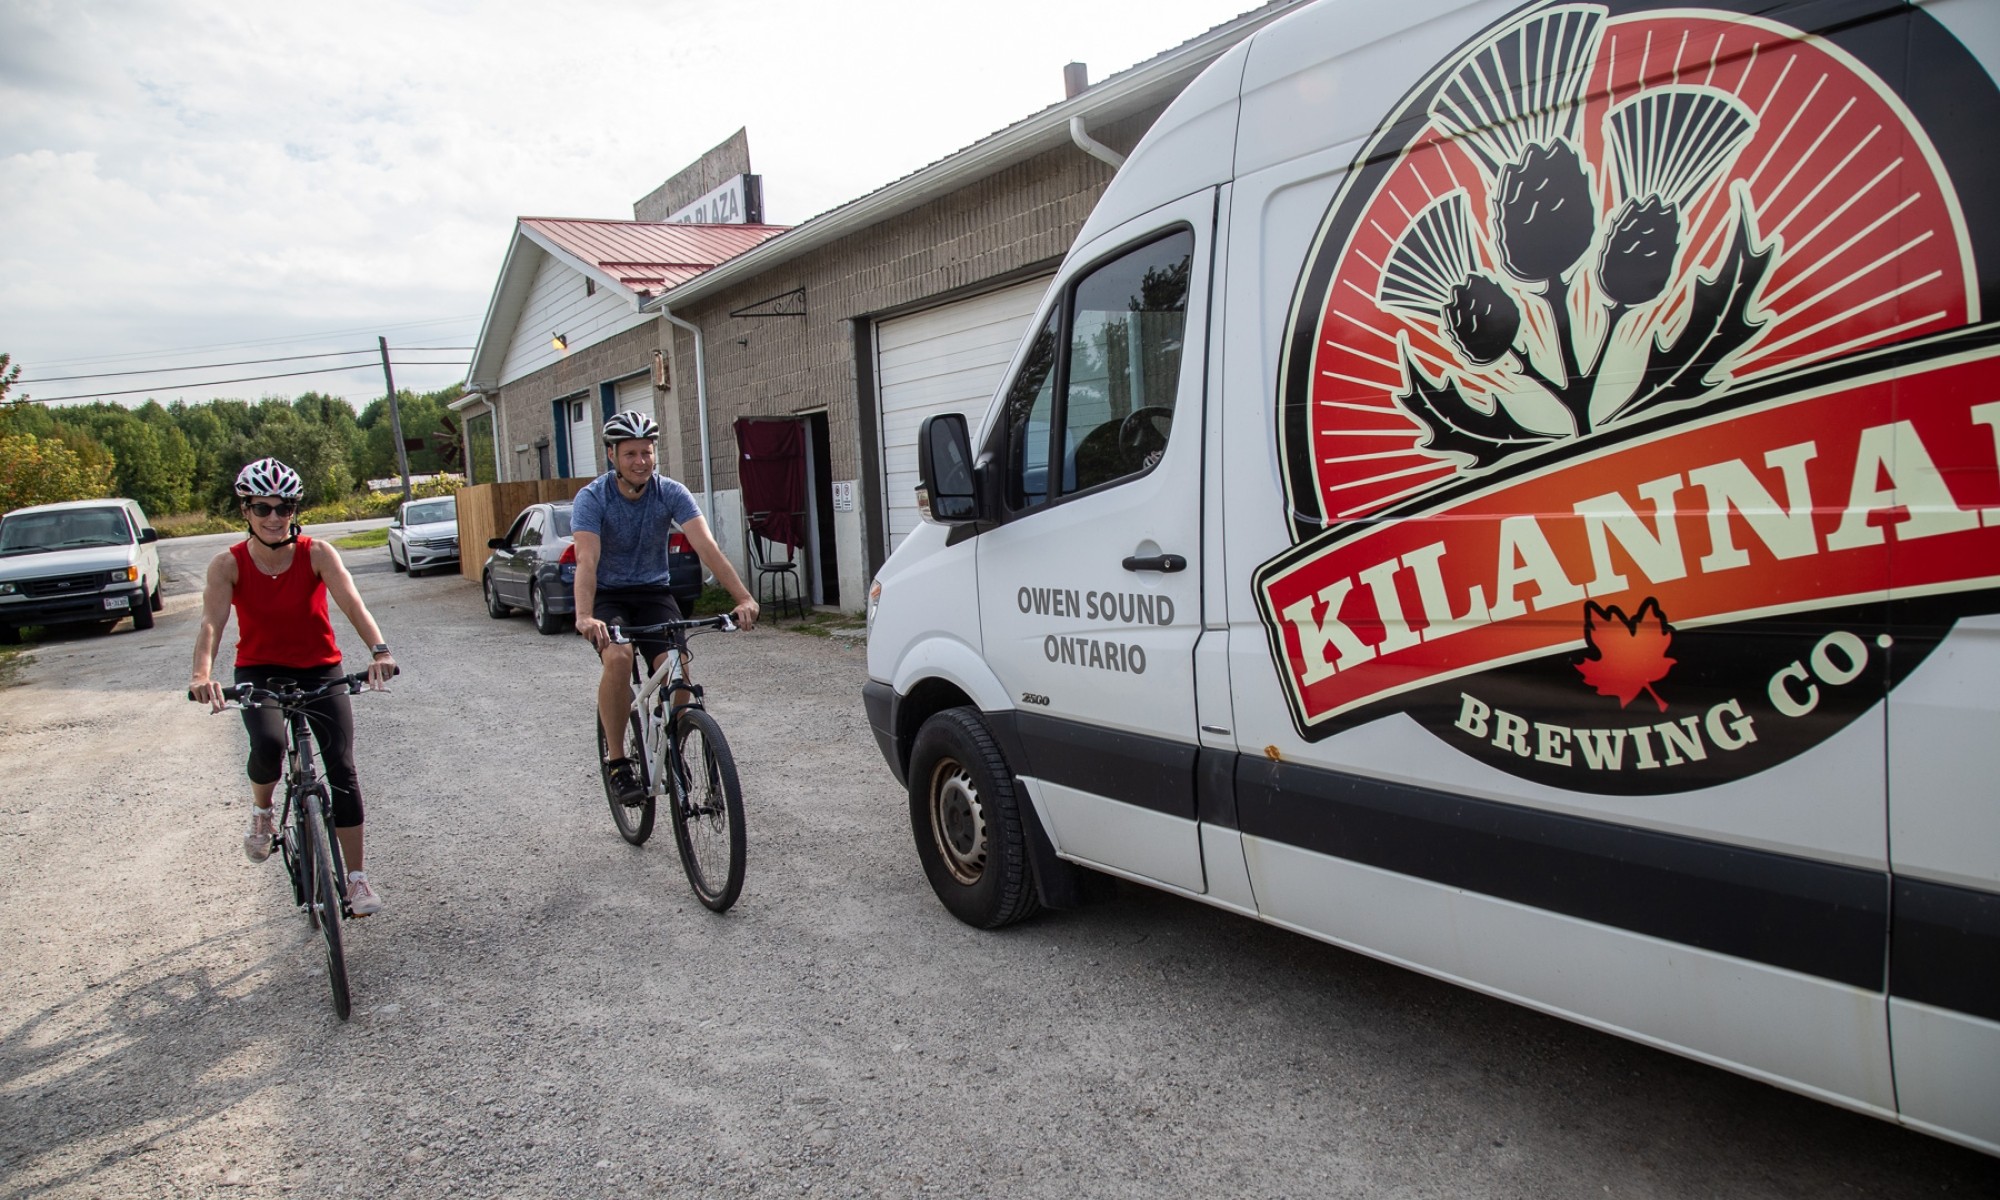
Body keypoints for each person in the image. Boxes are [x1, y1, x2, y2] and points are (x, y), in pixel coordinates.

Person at [188, 457, 398, 914]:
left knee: (341, 767)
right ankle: (263, 814)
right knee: (267, 746)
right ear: (245, 511)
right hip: (260, 671)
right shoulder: (228, 564)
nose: (273, 517)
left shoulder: (317, 553)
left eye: (283, 507)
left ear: (294, 510)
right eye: (261, 508)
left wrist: (379, 650)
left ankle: (357, 880)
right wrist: (202, 674)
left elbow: (352, 604)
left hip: (320, 667)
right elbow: (211, 624)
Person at [573, 410, 759, 803]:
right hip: (609, 595)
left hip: (654, 593)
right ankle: (619, 762)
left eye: (647, 452)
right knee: (620, 659)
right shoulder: (592, 498)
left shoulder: (670, 492)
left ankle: (668, 734)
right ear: (612, 456)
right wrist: (585, 615)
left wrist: (742, 597)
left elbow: (707, 547)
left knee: (678, 667)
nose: (641, 461)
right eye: (630, 454)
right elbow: (587, 561)